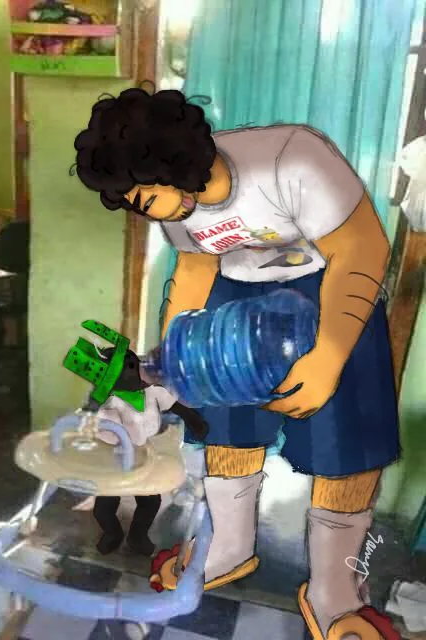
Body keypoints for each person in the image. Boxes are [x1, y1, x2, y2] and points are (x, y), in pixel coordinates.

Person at [73, 87, 400, 640]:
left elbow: (363, 248)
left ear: (173, 163)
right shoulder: (175, 205)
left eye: (141, 198)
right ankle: (228, 546)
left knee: (346, 443)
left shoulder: (292, 159)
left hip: (332, 286)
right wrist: (172, 361)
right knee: (228, 427)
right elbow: (195, 271)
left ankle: (334, 590)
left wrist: (329, 355)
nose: (139, 209)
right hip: (237, 292)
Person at [76, 346, 209, 557]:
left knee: (150, 501)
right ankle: (112, 533)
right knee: (104, 506)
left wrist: (194, 421)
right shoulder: (106, 393)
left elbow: (177, 406)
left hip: (148, 447)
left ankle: (137, 536)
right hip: (114, 451)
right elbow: (88, 413)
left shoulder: (154, 392)